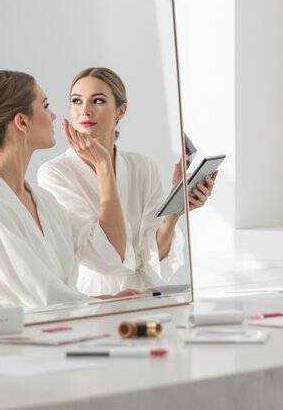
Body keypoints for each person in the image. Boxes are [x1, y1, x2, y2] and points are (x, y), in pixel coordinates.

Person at [0, 70, 139, 308]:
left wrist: (103, 165)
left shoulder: (44, 201)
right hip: (18, 332)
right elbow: (40, 300)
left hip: (58, 327)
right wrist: (106, 302)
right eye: (45, 106)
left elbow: (109, 257)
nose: (54, 115)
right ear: (22, 122)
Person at [38, 67, 217, 296]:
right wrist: (103, 165)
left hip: (142, 293)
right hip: (94, 297)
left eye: (98, 101)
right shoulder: (55, 173)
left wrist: (174, 211)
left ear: (120, 110)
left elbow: (153, 254)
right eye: (76, 101)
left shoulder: (142, 167)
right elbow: (105, 258)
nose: (85, 110)